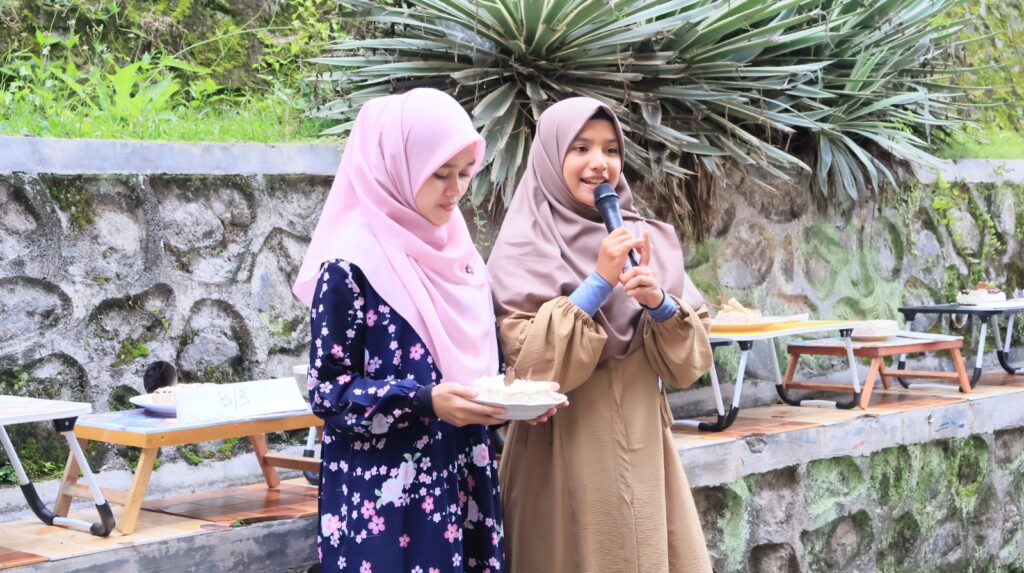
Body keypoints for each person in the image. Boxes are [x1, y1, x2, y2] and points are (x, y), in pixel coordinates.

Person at [488, 98, 715, 573]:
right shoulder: (526, 241)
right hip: (559, 454)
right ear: (551, 157)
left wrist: (659, 303)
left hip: (644, 448)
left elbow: (689, 364)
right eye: (581, 148)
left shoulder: (647, 238)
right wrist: (597, 284)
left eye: (611, 150)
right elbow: (528, 368)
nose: (600, 163)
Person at [293, 88, 514, 573]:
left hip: (463, 478)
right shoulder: (349, 266)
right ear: (398, 164)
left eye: (465, 173)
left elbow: (483, 369)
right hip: (386, 500)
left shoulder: (461, 259)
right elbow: (328, 393)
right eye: (440, 173)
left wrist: (511, 405)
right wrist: (421, 400)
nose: (455, 190)